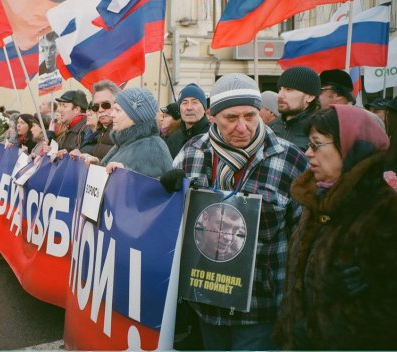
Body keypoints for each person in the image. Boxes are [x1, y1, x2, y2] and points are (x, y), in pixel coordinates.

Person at [165, 73, 309, 350]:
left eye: (250, 116)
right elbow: (169, 222)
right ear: (212, 116)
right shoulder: (192, 153)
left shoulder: (289, 159)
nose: (242, 127)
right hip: (205, 303)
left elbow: (304, 237)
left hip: (261, 307)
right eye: (231, 118)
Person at [274, 105, 397, 350]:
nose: (308, 153)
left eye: (317, 145)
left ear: (352, 149)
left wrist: (367, 293)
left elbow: (386, 311)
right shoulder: (317, 200)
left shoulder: (384, 211)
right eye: (309, 145)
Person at [99, 88, 173, 178]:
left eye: (118, 110)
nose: (112, 115)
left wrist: (125, 172)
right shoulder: (125, 142)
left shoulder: (152, 148)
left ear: (136, 117)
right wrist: (94, 165)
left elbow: (154, 185)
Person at [270, 66, 321, 151]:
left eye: (289, 89)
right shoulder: (273, 126)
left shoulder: (319, 130)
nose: (280, 95)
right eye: (280, 89)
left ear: (309, 97)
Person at [166, 83, 210, 158]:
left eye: (195, 102)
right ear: (179, 109)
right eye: (184, 103)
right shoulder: (173, 139)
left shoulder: (213, 136)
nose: (189, 107)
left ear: (204, 108)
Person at [79, 80, 119, 160]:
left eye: (106, 105)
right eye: (96, 107)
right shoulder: (102, 131)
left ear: (117, 104)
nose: (100, 110)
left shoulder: (122, 132)